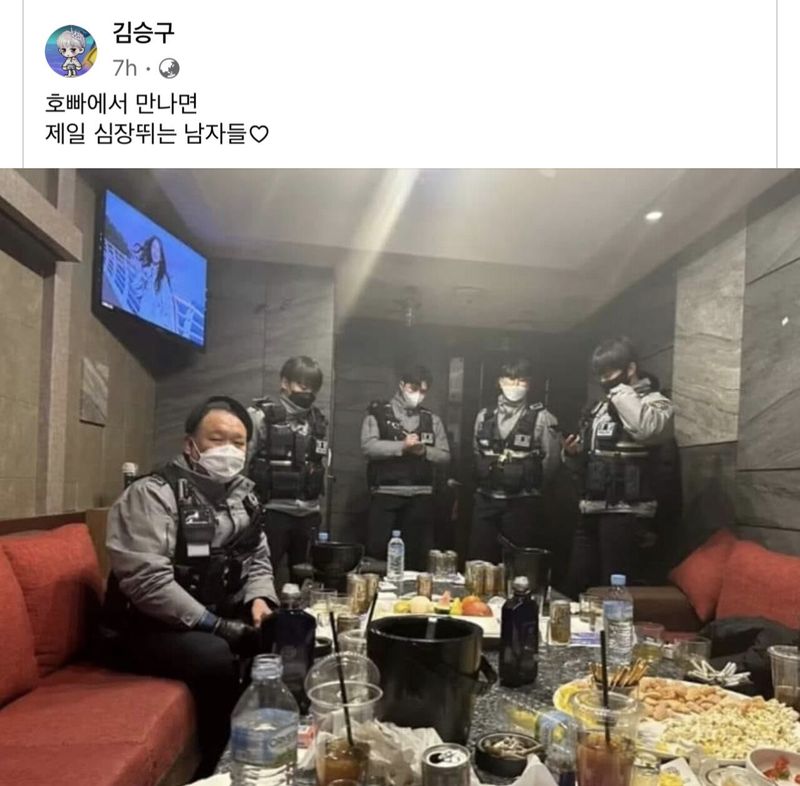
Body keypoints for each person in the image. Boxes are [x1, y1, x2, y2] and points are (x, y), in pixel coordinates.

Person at [104, 395, 278, 776]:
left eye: (238, 442)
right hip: (146, 626)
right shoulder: (153, 494)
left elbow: (258, 559)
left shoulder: (245, 498)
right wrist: (216, 625)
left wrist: (260, 601)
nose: (229, 450)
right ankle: (216, 766)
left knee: (282, 633)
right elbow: (147, 582)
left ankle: (268, 747)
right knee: (215, 654)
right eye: (217, 439)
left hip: (213, 615)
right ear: (190, 445)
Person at [562, 336, 675, 596]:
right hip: (591, 508)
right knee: (577, 585)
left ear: (630, 368)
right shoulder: (598, 409)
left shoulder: (656, 402)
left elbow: (647, 430)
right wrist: (572, 454)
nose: (605, 380)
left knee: (614, 591)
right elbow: (587, 460)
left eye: (610, 372)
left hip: (627, 513)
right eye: (600, 374)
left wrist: (623, 392)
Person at [469, 358, 561, 563]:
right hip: (486, 498)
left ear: (529, 384)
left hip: (522, 501)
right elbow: (476, 452)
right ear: (499, 381)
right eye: (510, 380)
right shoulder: (484, 415)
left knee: (519, 563)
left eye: (522, 380)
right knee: (479, 559)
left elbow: (551, 461)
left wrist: (530, 482)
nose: (515, 385)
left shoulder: (542, 417)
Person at [247, 356, 328, 582]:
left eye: (313, 388)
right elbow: (242, 462)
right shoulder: (260, 416)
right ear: (284, 383)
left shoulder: (318, 421)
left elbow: (318, 463)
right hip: (272, 513)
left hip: (309, 514)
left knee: (305, 580)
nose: (308, 392)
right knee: (261, 575)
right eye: (302, 385)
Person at [361, 365, 450, 570]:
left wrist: (423, 451)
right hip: (386, 494)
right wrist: (403, 446)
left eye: (423, 391)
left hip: (421, 496)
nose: (418, 395)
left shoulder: (431, 419)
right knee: (378, 554)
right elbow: (368, 447)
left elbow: (445, 456)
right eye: (413, 388)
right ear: (402, 385)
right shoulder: (378, 413)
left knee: (417, 558)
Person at [133, 236, 177, 332]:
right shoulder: (147, 271)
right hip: (141, 320)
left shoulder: (163, 279)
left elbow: (168, 308)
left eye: (158, 249)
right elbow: (137, 292)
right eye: (153, 248)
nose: (155, 252)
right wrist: (142, 276)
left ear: (161, 256)